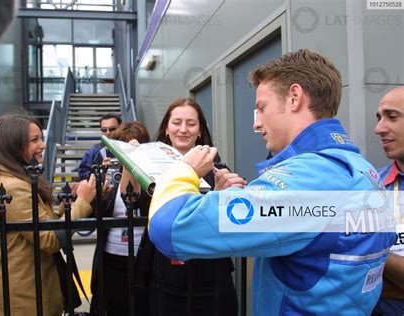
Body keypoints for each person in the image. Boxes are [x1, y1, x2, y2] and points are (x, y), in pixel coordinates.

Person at [147, 49, 396, 315]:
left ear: (294, 98)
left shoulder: (307, 181)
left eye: (262, 107)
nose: (256, 124)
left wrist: (182, 169)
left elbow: (170, 227)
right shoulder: (365, 171)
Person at [0, 114, 96, 315]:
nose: (42, 145)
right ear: (12, 146)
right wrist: (82, 202)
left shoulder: (22, 180)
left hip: (32, 288)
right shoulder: (13, 187)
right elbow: (49, 238)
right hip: (23, 297)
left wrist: (69, 204)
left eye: (40, 138)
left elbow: (45, 223)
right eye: (34, 140)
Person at [141, 98, 238, 316]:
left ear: (200, 130)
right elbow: (137, 205)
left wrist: (224, 197)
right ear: (166, 128)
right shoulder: (148, 170)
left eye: (191, 123)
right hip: (164, 275)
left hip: (211, 276)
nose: (183, 129)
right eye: (176, 122)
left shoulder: (219, 172)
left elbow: (230, 223)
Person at [89, 121, 151, 316]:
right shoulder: (109, 177)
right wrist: (97, 192)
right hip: (112, 257)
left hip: (143, 259)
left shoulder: (153, 178)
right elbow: (93, 218)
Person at [374, 86, 404, 315]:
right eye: (379, 118)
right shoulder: (370, 186)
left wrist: (370, 248)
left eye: (392, 117)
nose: (379, 129)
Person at [78, 113, 122, 180]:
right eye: (104, 130)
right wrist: (100, 170)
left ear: (120, 128)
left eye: (112, 129)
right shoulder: (95, 150)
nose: (108, 133)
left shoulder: (128, 147)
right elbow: (83, 173)